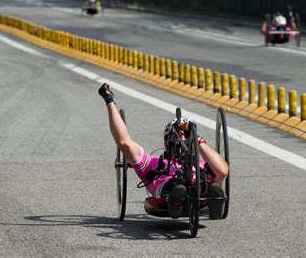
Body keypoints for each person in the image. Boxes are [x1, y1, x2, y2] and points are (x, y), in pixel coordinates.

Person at [98, 83, 229, 219]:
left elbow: (223, 171)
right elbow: (124, 143)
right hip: (168, 189)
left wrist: (196, 139)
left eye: (185, 136)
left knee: (211, 185)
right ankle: (175, 201)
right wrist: (109, 101)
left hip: (199, 189)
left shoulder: (202, 162)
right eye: (177, 135)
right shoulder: (152, 164)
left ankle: (214, 200)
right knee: (176, 186)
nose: (182, 139)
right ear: (167, 141)